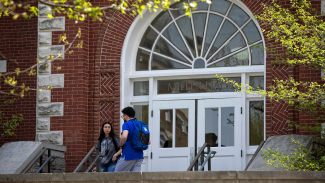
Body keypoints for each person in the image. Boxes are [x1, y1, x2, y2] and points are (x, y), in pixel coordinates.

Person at [114, 106, 151, 172]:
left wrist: (120, 145)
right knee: (134, 179)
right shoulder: (139, 124)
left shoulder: (126, 124)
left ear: (126, 116)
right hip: (139, 155)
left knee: (117, 175)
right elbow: (148, 142)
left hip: (129, 154)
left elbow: (124, 136)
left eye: (123, 116)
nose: (123, 118)